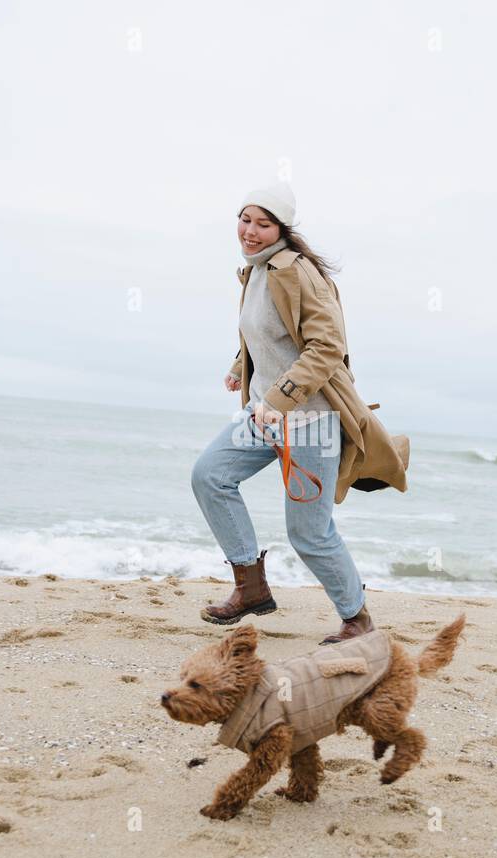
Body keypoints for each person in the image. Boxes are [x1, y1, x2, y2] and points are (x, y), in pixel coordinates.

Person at [191, 181, 372, 645]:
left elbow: (327, 346)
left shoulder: (297, 273)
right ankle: (251, 587)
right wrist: (240, 367)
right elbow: (267, 332)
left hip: (310, 422)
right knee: (209, 475)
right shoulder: (255, 271)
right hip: (263, 414)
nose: (250, 231)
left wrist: (278, 398)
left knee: (309, 534)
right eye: (245, 219)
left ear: (282, 229)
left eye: (263, 224)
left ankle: (357, 620)